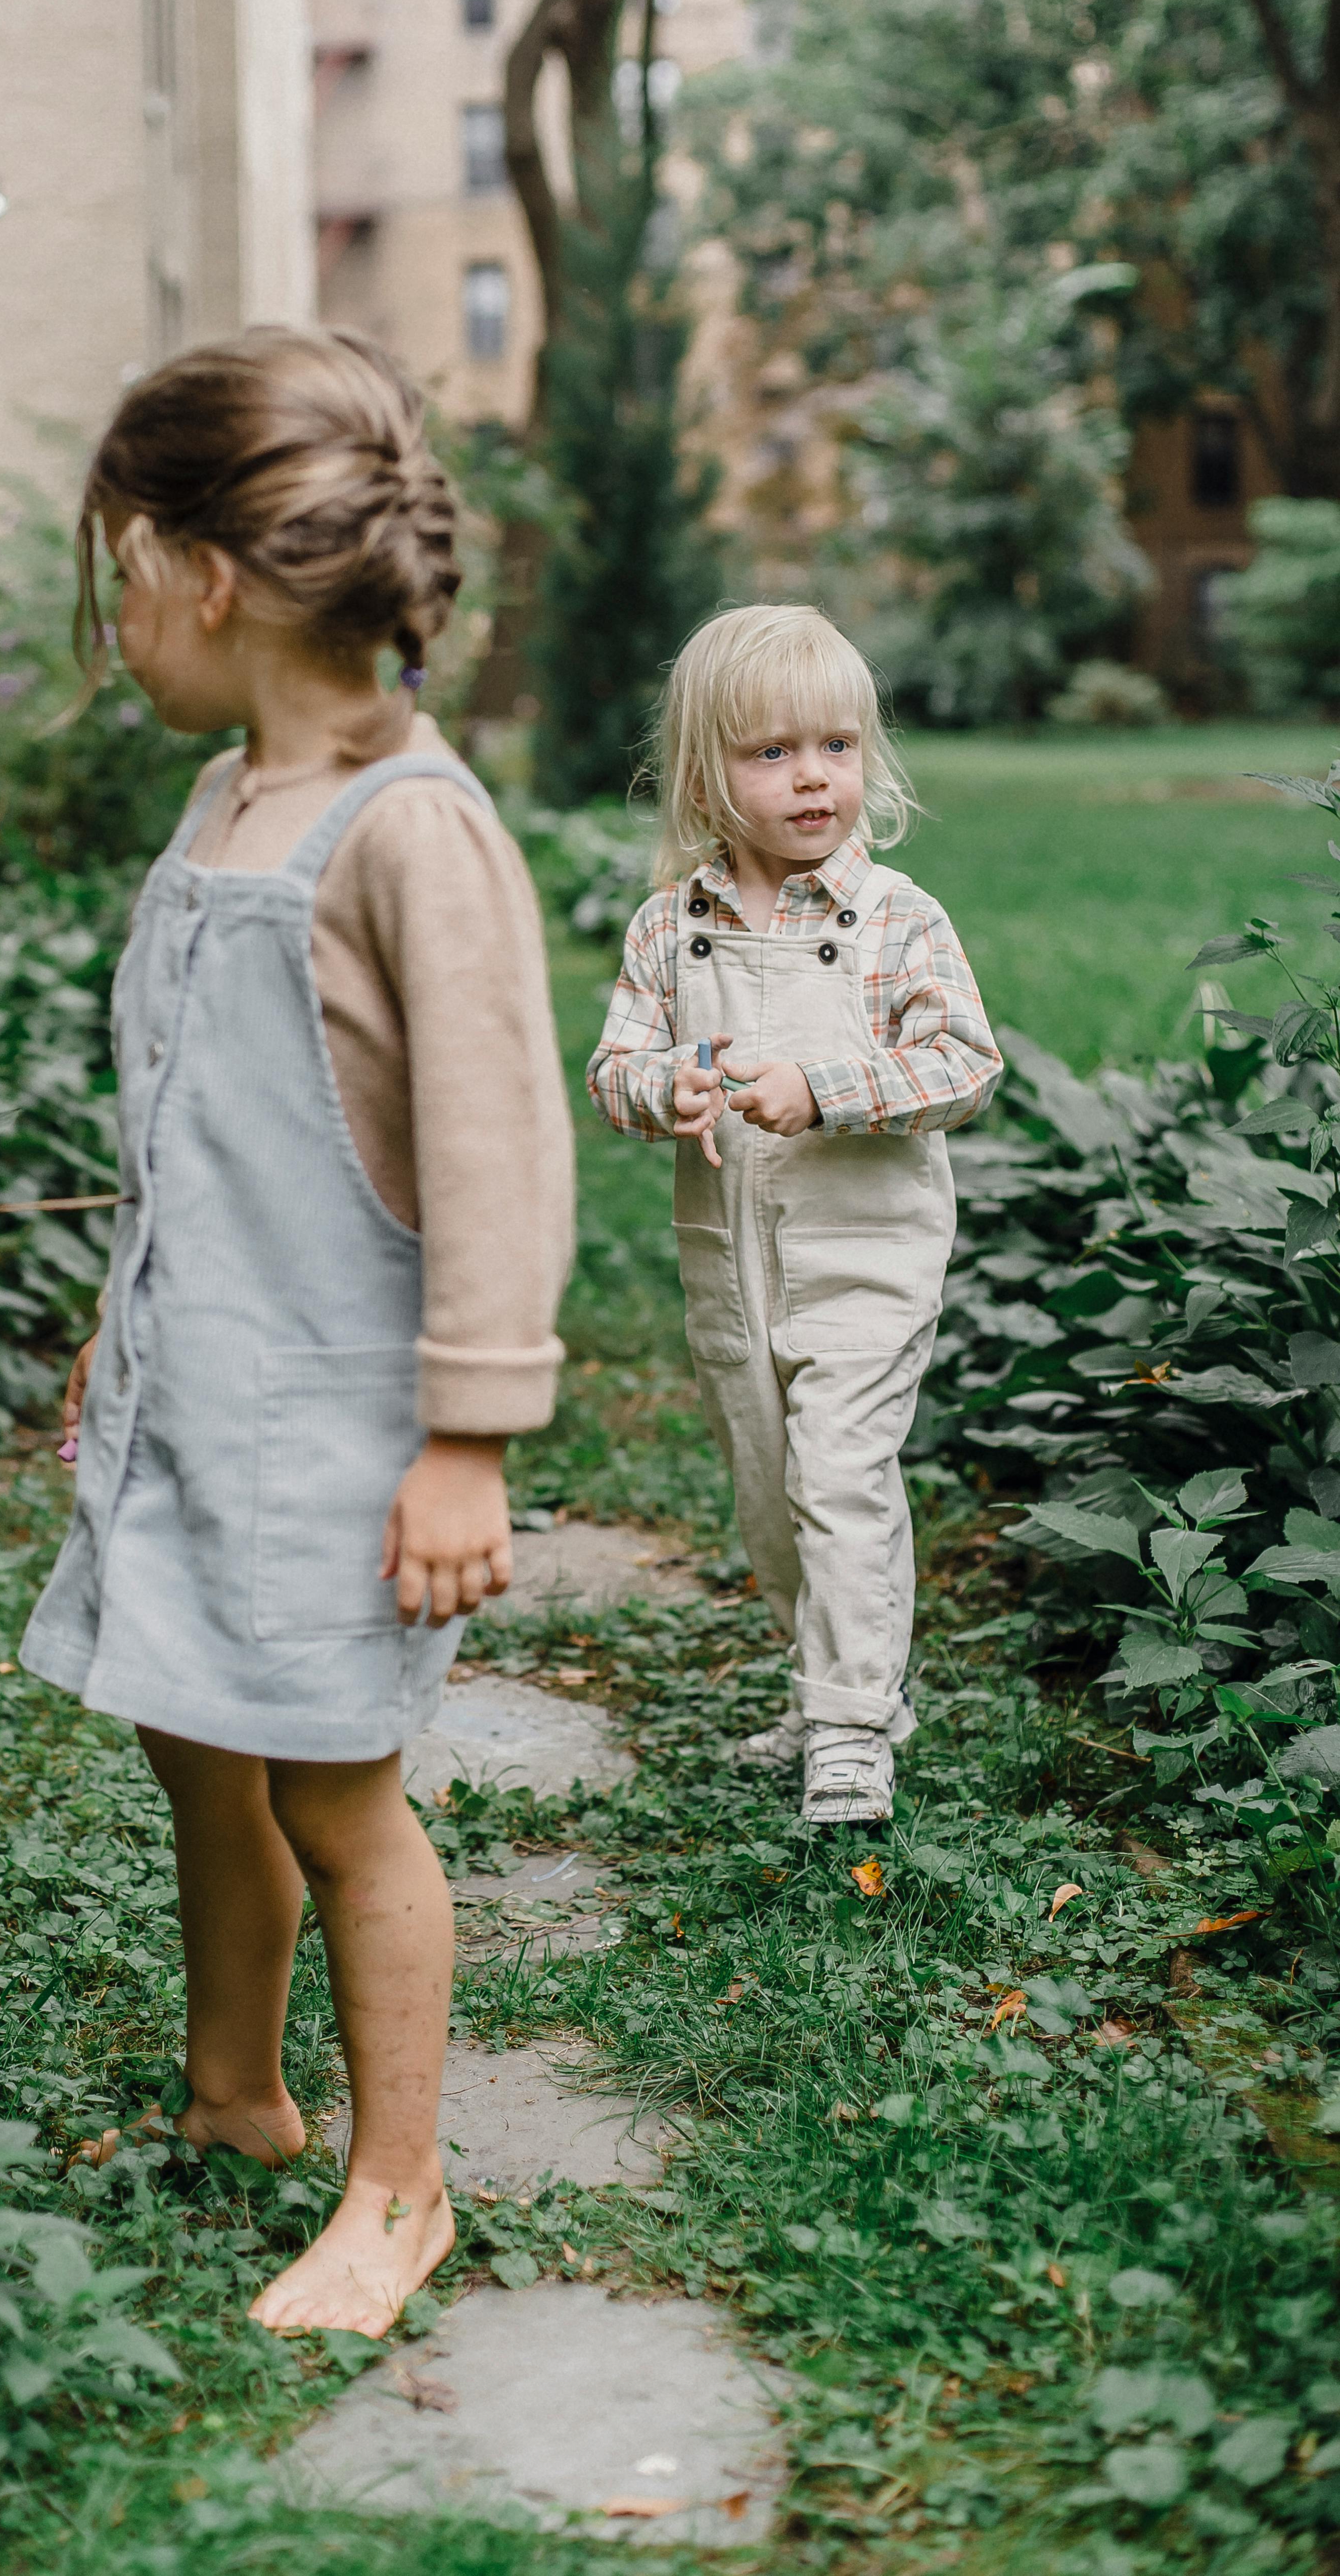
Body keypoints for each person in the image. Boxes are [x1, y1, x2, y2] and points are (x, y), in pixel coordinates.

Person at [21, 327, 573, 2337]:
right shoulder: (225, 796)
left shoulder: (409, 831)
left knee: (337, 1797)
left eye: (117, 583)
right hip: (197, 1388)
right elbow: (188, 1125)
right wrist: (124, 1327)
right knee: (200, 1756)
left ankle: (396, 2187)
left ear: (206, 576)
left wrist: (469, 1437)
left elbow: (499, 1152)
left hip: (342, 1424)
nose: (114, 630)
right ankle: (237, 2100)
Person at [587, 604, 1001, 1828]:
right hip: (731, 1264)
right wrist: (670, 1084)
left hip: (865, 1253)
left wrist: (824, 1089)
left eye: (833, 744)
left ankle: (849, 1727)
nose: (810, 774)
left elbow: (964, 1066)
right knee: (769, 1492)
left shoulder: (894, 921)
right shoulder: (672, 926)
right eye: (769, 752)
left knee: (840, 1474)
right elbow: (612, 1070)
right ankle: (824, 1677)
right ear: (702, 775)